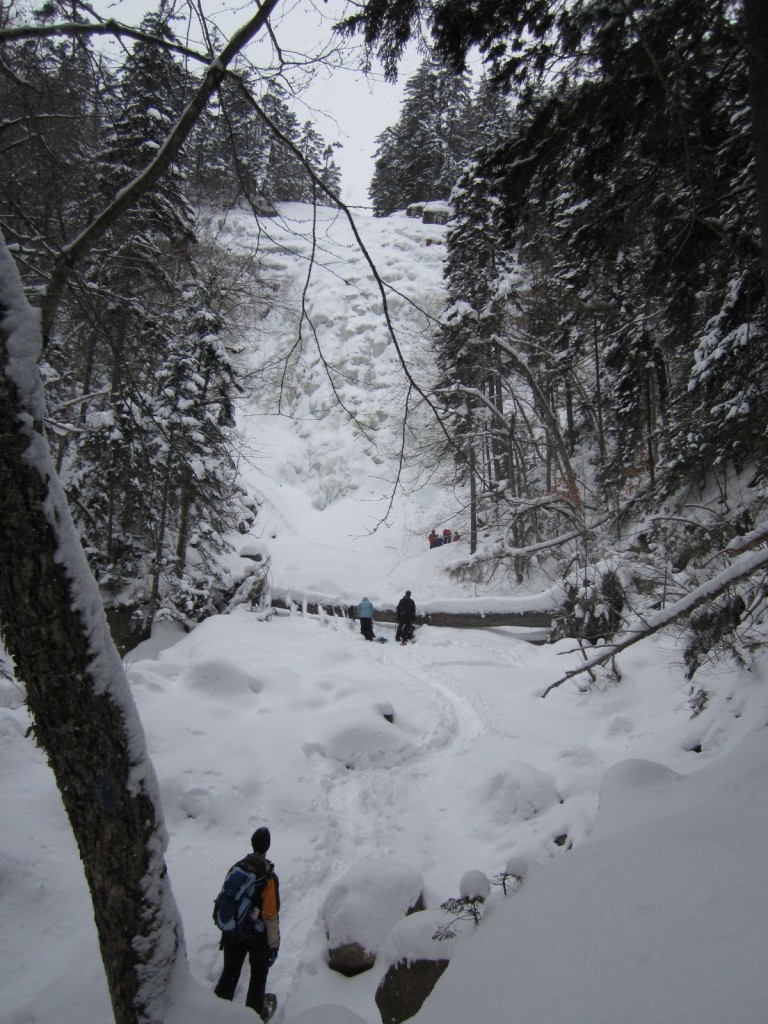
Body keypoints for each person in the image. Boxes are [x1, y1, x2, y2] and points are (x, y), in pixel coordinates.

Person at [214, 826, 280, 1019]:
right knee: (258, 976)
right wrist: (274, 945)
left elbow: (225, 898)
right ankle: (255, 1015)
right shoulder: (268, 877)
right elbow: (270, 916)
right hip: (256, 936)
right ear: (267, 846)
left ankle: (216, 1013)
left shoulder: (236, 868)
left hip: (233, 930)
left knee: (230, 973)